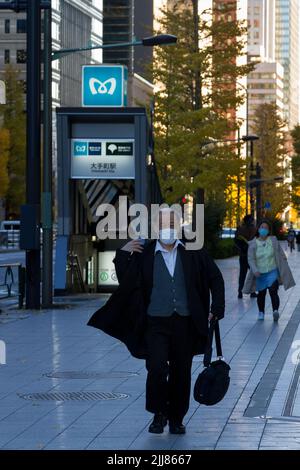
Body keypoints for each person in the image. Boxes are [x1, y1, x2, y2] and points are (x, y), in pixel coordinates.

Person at [87, 208, 225, 435]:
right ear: (155, 228)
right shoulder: (145, 253)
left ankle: (177, 418)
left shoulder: (193, 250)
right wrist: (123, 253)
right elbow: (127, 281)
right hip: (154, 323)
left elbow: (215, 277)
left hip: (185, 322)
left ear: (179, 225)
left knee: (182, 371)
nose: (167, 228)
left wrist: (217, 308)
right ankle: (158, 413)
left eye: (172, 223)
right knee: (157, 368)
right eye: (162, 224)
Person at [243, 219, 295, 321]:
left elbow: (280, 253)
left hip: (272, 271)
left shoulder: (273, 240)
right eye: (262, 227)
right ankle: (261, 312)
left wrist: (284, 261)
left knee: (273, 291)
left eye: (266, 228)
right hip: (260, 273)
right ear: (258, 229)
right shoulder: (253, 243)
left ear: (269, 230)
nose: (264, 229)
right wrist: (254, 270)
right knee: (261, 294)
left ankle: (275, 311)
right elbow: (251, 259)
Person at [235, 214, 257, 299]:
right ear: (250, 221)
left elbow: (236, 241)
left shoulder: (240, 229)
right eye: (252, 220)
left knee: (242, 274)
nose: (253, 221)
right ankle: (252, 292)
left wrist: (241, 249)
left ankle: (240, 293)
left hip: (243, 255)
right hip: (250, 256)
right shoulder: (254, 229)